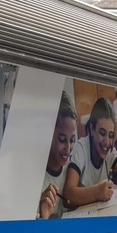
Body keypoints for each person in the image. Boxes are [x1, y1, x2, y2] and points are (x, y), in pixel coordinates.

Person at [64, 97, 117, 208]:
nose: (106, 142)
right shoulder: (81, 148)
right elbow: (68, 193)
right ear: (92, 129)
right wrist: (96, 192)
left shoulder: (109, 151)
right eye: (102, 133)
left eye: (110, 135)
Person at [39, 91, 77, 219]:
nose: (68, 148)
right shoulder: (37, 180)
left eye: (72, 140)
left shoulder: (71, 169)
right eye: (62, 140)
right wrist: (43, 214)